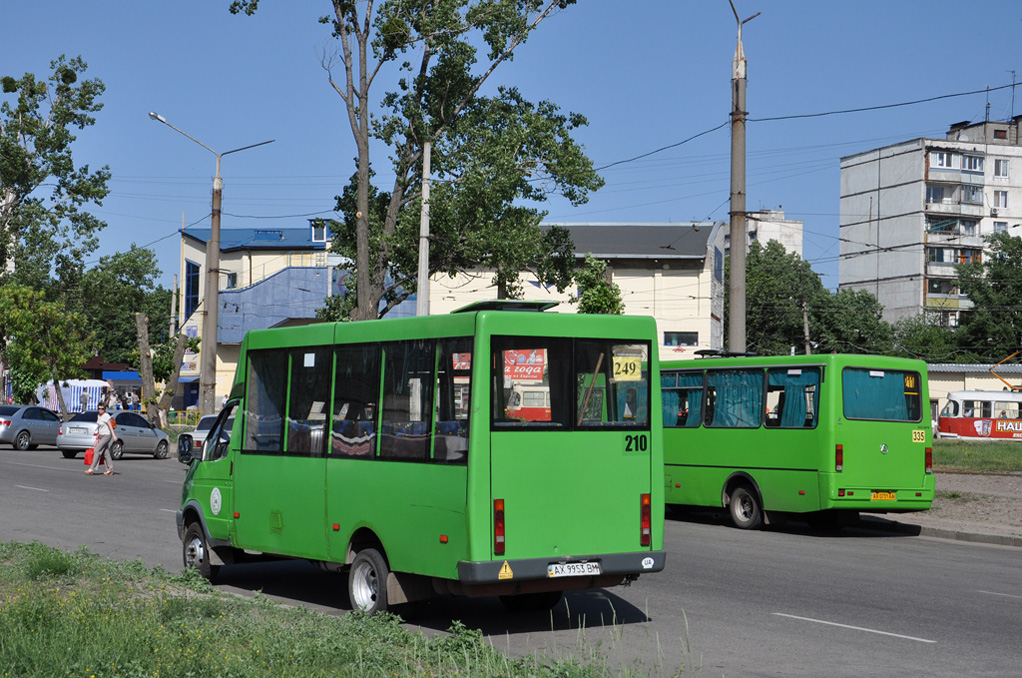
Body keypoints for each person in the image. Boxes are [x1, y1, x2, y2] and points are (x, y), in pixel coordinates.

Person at [87, 403, 117, 476]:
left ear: (105, 409)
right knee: (106, 453)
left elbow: (110, 427)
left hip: (107, 436)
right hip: (101, 436)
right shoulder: (99, 416)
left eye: (102, 409)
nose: (100, 410)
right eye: (99, 408)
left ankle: (92, 468)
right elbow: (100, 427)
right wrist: (98, 434)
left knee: (97, 450)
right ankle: (110, 469)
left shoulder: (106, 416)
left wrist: (114, 436)